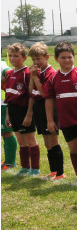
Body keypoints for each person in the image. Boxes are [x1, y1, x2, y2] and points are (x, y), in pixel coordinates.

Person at [43, 42, 77, 186]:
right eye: (63, 57)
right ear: (56, 59)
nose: (67, 60)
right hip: (66, 120)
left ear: (74, 57)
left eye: (69, 57)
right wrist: (50, 121)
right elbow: (49, 100)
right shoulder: (53, 78)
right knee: (74, 148)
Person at [26, 43, 65, 180]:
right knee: (47, 142)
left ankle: (60, 172)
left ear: (47, 57)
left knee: (53, 140)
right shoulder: (38, 72)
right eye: (33, 60)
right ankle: (53, 171)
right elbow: (31, 91)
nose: (36, 62)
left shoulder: (50, 73)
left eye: (38, 59)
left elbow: (43, 93)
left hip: (49, 108)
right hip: (38, 108)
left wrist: (35, 78)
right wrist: (32, 77)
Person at [4, 43, 40, 176]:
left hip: (24, 110)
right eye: (11, 56)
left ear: (24, 58)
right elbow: (9, 96)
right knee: (20, 140)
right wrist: (8, 115)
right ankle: (25, 167)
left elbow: (31, 95)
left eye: (16, 56)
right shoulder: (9, 74)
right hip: (13, 111)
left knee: (30, 139)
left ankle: (35, 168)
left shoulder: (27, 73)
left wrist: (29, 114)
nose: (13, 59)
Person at [1, 56, 18, 171]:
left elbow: (9, 73)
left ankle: (10, 162)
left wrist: (5, 84)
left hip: (2, 104)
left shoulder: (2, 66)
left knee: (6, 132)